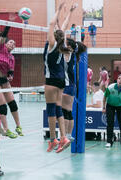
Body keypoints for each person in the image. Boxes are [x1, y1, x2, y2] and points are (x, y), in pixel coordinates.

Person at [44, 2, 77, 153]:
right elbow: (64, 25)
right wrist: (69, 12)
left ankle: (52, 139)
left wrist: (58, 9)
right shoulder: (61, 44)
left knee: (51, 108)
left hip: (51, 81)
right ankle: (63, 136)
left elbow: (53, 23)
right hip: (61, 82)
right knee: (58, 109)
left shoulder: (52, 44)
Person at [0, 19, 23, 138]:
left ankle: (18, 126)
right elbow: (3, 36)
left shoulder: (12, 58)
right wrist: (8, 26)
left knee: (12, 103)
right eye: (11, 42)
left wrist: (10, 76)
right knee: (2, 105)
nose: (13, 44)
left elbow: (10, 71)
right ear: (6, 44)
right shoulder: (0, 48)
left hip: (3, 79)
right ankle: (6, 129)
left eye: (14, 44)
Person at [62, 38, 87, 142]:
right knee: (68, 111)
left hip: (67, 86)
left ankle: (65, 136)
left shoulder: (68, 55)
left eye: (66, 44)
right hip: (71, 86)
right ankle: (68, 135)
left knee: (65, 111)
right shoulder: (73, 54)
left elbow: (61, 41)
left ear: (69, 47)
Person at [102, 74, 121, 148]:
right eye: (119, 78)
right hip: (110, 105)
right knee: (110, 123)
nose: (120, 80)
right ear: (117, 80)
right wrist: (103, 107)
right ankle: (109, 141)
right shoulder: (111, 87)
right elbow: (105, 97)